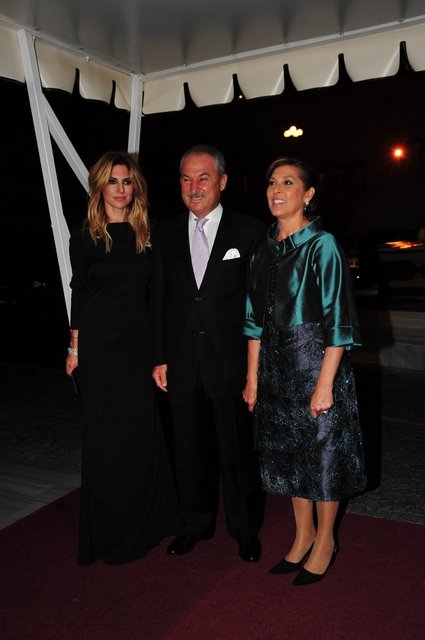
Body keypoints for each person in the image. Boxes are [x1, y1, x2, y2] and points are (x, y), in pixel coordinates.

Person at [243, 157, 366, 585]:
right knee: (291, 456)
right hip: (276, 370)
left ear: (308, 194)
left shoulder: (322, 244)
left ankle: (326, 540)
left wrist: (325, 385)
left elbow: (339, 322)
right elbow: (253, 321)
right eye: (272, 182)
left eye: (288, 182)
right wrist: (252, 378)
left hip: (316, 366)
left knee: (323, 457)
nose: (276, 190)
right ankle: (303, 535)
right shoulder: (263, 248)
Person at [65, 151, 181, 565]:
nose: (120, 189)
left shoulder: (148, 234)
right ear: (100, 186)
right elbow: (80, 293)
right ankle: (108, 532)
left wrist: (159, 356)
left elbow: (158, 300)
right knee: (105, 442)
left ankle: (146, 524)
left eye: (127, 181)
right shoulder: (85, 237)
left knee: (138, 437)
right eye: (113, 181)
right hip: (99, 350)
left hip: (136, 351)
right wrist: (74, 348)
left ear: (136, 188)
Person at [152, 145, 265, 562]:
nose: (194, 186)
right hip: (181, 362)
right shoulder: (164, 233)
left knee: (237, 451)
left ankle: (245, 529)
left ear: (222, 181)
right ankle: (193, 525)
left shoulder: (249, 231)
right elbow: (158, 301)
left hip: (230, 362)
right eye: (186, 178)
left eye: (203, 177)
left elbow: (258, 305)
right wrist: (159, 356)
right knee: (188, 449)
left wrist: (255, 370)